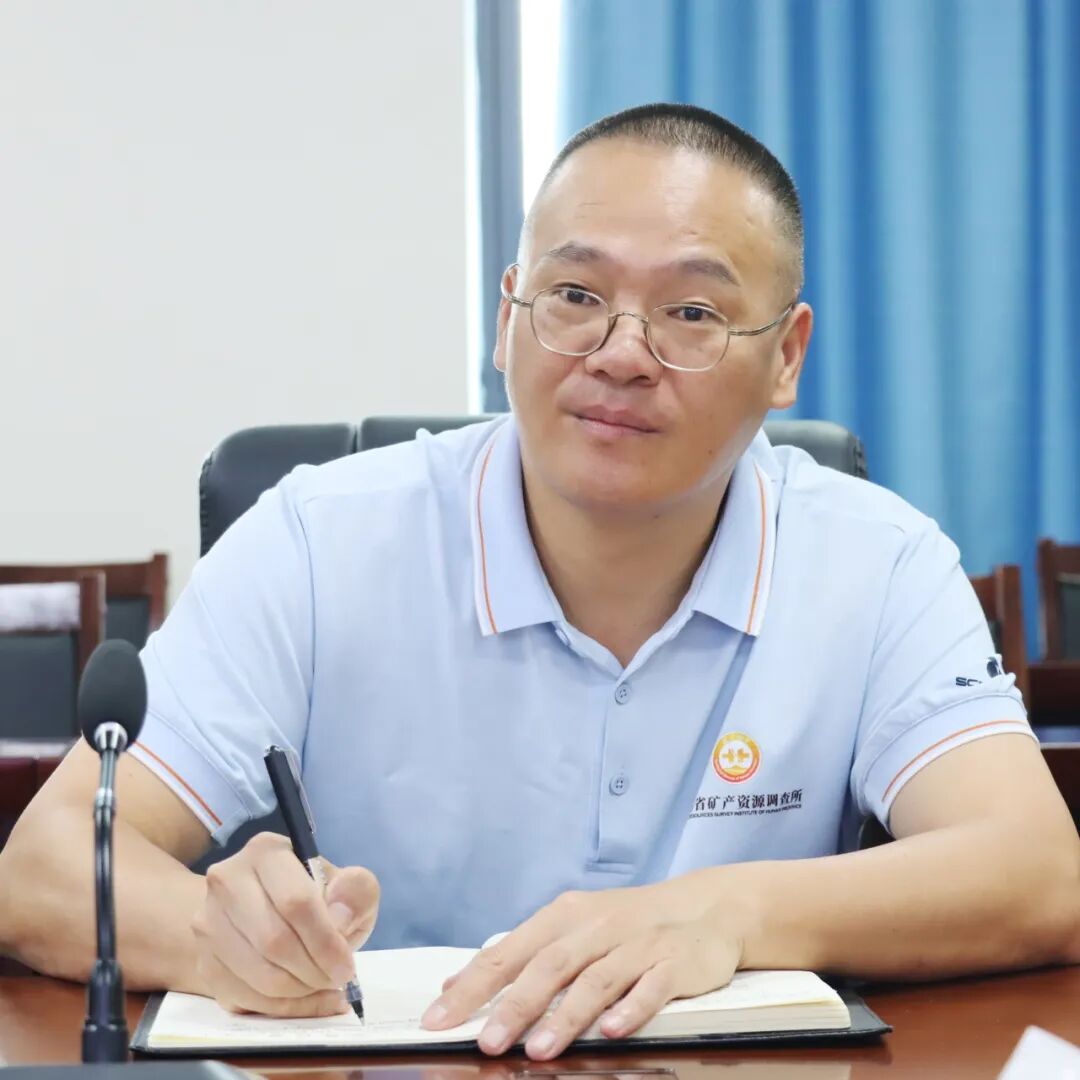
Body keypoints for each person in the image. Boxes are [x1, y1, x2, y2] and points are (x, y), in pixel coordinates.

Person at [0, 103, 1076, 1061]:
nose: (621, 353)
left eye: (692, 314)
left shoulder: (879, 563)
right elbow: (43, 867)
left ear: (786, 356)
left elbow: (1041, 871)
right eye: (574, 294)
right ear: (508, 318)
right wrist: (222, 939)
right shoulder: (318, 543)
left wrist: (728, 912)